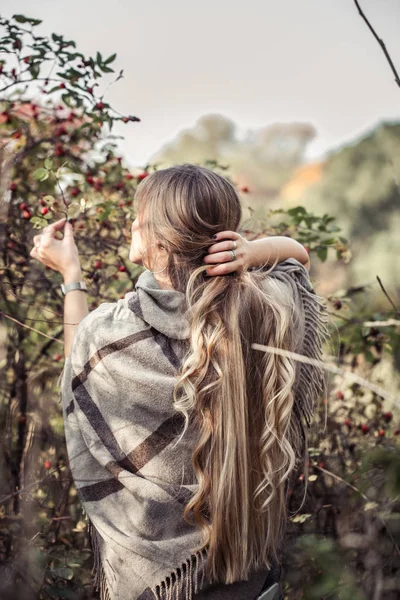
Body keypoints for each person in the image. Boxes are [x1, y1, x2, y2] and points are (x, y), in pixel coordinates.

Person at [30, 164, 328, 600]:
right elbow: (297, 256)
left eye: (139, 217)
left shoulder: (107, 332)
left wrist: (71, 276)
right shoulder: (262, 309)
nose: (132, 223)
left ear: (160, 243)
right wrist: (251, 251)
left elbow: (78, 370)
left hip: (155, 585)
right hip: (247, 571)